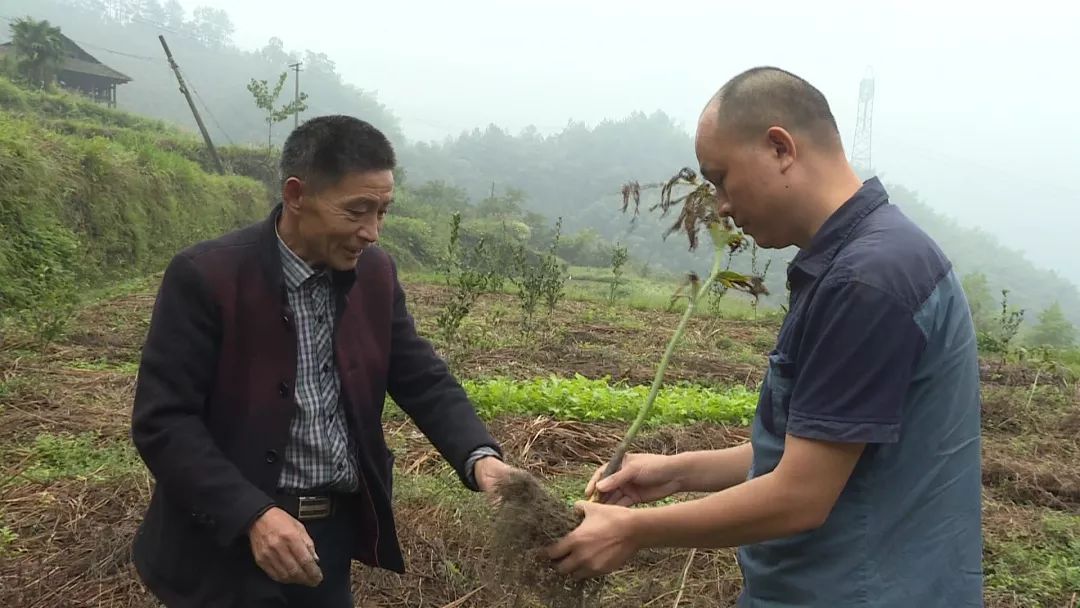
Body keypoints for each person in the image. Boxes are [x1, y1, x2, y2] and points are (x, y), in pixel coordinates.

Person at [546, 66, 983, 607]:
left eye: (722, 178)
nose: (722, 205)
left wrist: (631, 530)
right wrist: (674, 472)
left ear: (780, 148)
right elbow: (813, 451)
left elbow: (801, 495)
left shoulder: (868, 281)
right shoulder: (865, 260)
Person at [130, 115, 515, 607]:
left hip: (326, 542)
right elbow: (165, 422)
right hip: (224, 542)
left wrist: (480, 458)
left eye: (383, 211)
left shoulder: (375, 275)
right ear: (296, 195)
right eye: (357, 211)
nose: (372, 232)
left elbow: (422, 377)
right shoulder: (207, 276)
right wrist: (252, 513)